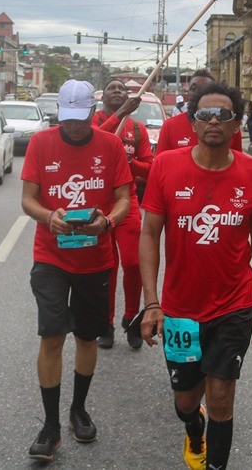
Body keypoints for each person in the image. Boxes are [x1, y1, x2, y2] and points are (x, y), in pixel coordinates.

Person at [139, 81, 252, 470]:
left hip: (234, 305)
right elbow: (149, 234)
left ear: (236, 125)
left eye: (223, 115)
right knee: (186, 400)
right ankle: (193, 427)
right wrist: (152, 303)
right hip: (181, 309)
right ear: (193, 123)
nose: (214, 121)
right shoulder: (166, 166)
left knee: (221, 399)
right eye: (205, 115)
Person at [20, 79, 132, 463]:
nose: (73, 126)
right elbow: (27, 199)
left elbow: (123, 198)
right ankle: (50, 426)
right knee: (52, 336)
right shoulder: (41, 143)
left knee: (86, 337)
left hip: (95, 259)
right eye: (67, 119)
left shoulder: (111, 145)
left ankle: (78, 410)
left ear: (92, 112)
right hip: (50, 257)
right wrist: (48, 216)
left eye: (80, 119)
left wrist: (108, 222)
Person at [91, 78, 154, 350]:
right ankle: (105, 323)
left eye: (121, 89)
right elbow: (94, 142)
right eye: (111, 88)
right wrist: (120, 114)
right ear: (102, 96)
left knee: (133, 263)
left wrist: (130, 162)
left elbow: (149, 167)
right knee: (107, 267)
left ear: (129, 96)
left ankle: (131, 318)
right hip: (99, 201)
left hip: (127, 200)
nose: (117, 91)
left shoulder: (137, 129)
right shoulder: (93, 121)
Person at [156, 69, 242, 155]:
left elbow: (237, 159)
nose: (199, 92)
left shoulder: (229, 125)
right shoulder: (170, 126)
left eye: (205, 88)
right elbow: (161, 160)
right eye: (193, 88)